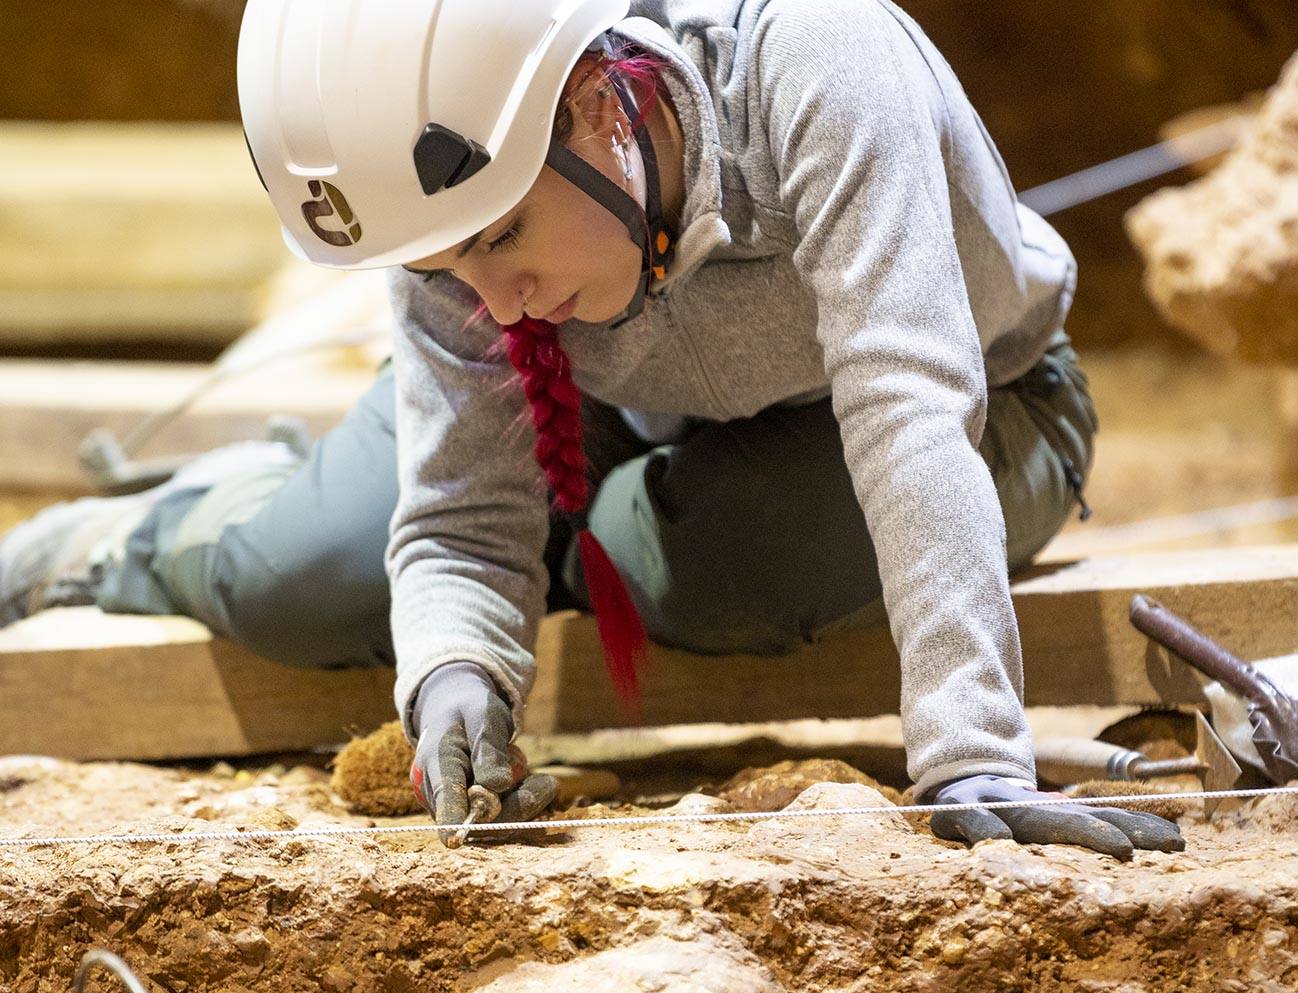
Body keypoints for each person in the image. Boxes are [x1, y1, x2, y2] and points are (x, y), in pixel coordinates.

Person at [0, 0, 1183, 858]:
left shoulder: (818, 58)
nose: (483, 295)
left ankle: (595, 546)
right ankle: (136, 534)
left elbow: (905, 403)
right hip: (609, 402)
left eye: (501, 235)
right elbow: (463, 517)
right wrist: (458, 669)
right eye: (437, 266)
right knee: (300, 581)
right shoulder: (471, 250)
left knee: (722, 574)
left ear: (596, 106)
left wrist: (971, 750)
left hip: (964, 399)